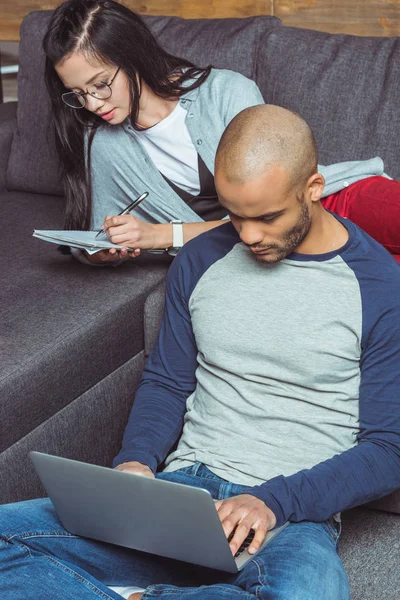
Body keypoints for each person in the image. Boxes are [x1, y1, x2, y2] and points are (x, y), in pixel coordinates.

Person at [1, 104, 400, 600]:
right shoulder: (201, 258)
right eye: (235, 216)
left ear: (313, 189)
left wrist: (272, 501)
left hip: (289, 513)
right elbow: (168, 382)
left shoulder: (380, 285)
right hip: (183, 492)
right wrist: (137, 464)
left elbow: (388, 449)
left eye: (267, 216)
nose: (249, 236)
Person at [43, 0, 400, 265]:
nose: (91, 104)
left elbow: (274, 209)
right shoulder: (106, 145)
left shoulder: (226, 92)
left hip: (331, 202)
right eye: (78, 94)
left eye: (101, 84)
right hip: (274, 249)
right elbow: (93, 241)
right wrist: (107, 251)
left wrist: (161, 235)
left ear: (133, 56)